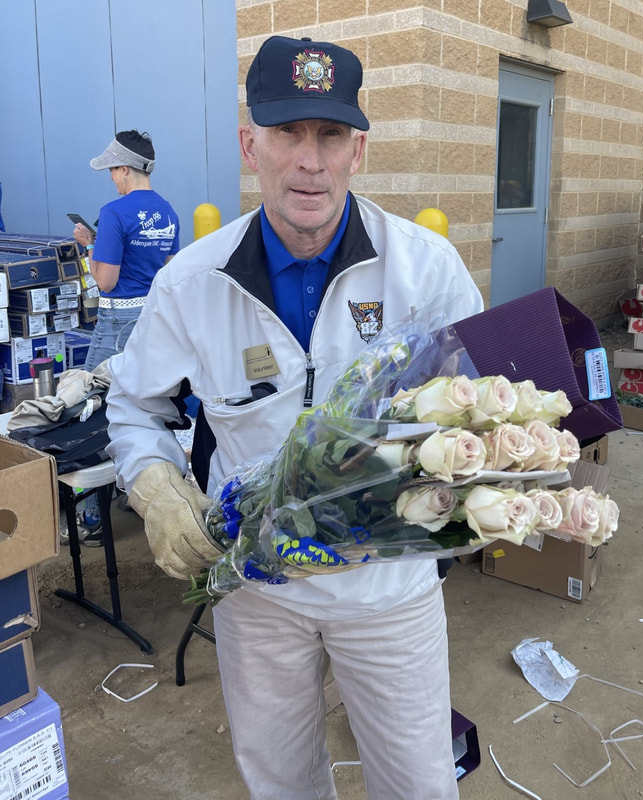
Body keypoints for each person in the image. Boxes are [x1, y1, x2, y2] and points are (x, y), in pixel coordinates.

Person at [106, 36, 483, 799]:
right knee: (279, 780)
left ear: (358, 151)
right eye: (287, 133)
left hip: (389, 590)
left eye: (330, 135)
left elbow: (478, 402)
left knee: (418, 783)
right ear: (252, 145)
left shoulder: (424, 269)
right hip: (258, 591)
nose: (308, 161)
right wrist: (154, 485)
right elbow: (134, 404)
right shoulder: (192, 283)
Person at [72, 129, 180, 544]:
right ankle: (134, 490)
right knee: (146, 405)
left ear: (124, 169)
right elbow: (166, 268)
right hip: (154, 320)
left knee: (90, 408)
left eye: (113, 171)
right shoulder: (167, 211)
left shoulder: (114, 212)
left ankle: (89, 519)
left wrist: (89, 248)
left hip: (116, 324)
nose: (112, 179)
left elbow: (107, 280)